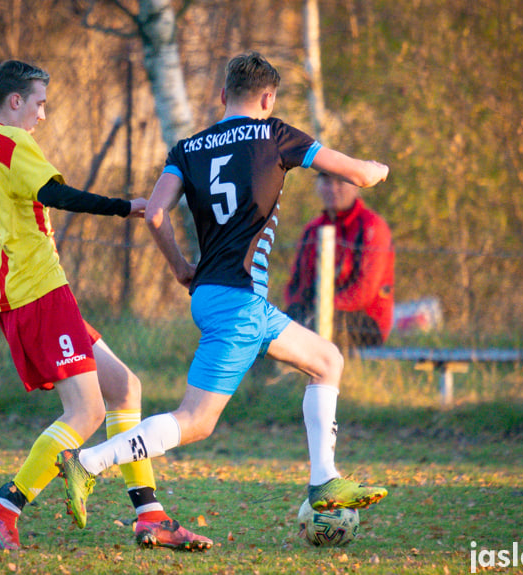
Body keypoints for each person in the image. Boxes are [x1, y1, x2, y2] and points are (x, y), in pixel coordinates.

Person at [57, 51, 390, 532]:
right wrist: (376, 169)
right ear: (268, 98)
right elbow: (355, 174)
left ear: (222, 96)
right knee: (196, 421)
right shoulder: (275, 133)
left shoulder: (188, 148)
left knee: (326, 360)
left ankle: (324, 481)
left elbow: (154, 214)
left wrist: (179, 268)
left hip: (219, 294)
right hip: (239, 303)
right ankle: (87, 463)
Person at [0, 60, 211, 552]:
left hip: (25, 292)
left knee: (125, 387)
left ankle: (151, 517)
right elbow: (55, 194)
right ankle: (4, 508)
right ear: (15, 101)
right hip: (38, 292)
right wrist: (123, 206)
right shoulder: (12, 143)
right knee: (85, 413)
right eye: (39, 103)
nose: (42, 116)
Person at [284, 172, 394, 352]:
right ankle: (268, 379)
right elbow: (296, 283)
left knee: (308, 332)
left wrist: (322, 309)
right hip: (315, 312)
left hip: (364, 320)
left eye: (340, 183)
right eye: (326, 183)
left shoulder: (372, 227)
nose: (333, 189)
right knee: (269, 331)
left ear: (356, 186)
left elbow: (365, 290)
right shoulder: (312, 230)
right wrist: (297, 311)